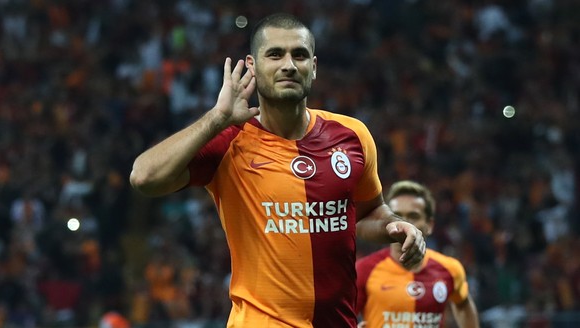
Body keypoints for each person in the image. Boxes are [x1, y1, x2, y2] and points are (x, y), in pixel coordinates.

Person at [130, 13, 425, 328]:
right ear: (252, 66)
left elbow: (367, 215)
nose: (289, 65)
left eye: (299, 55)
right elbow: (144, 177)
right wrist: (217, 117)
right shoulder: (229, 141)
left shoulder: (352, 135)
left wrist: (396, 226)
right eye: (275, 54)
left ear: (313, 65)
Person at [356, 180, 479, 328]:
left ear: (429, 225)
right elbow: (341, 317)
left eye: (413, 216)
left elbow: (463, 305)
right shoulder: (364, 270)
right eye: (396, 215)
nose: (404, 223)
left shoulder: (450, 269)